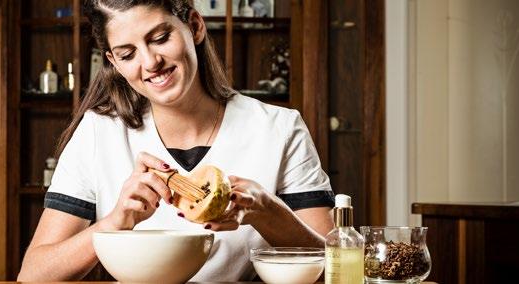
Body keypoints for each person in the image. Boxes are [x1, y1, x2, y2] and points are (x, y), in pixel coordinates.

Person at [17, 0, 335, 281]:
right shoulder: (98, 133)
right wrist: (115, 222)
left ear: (194, 27)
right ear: (113, 63)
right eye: (128, 54)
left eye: (160, 38)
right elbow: (33, 275)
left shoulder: (279, 128)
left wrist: (265, 210)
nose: (150, 62)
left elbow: (336, 270)